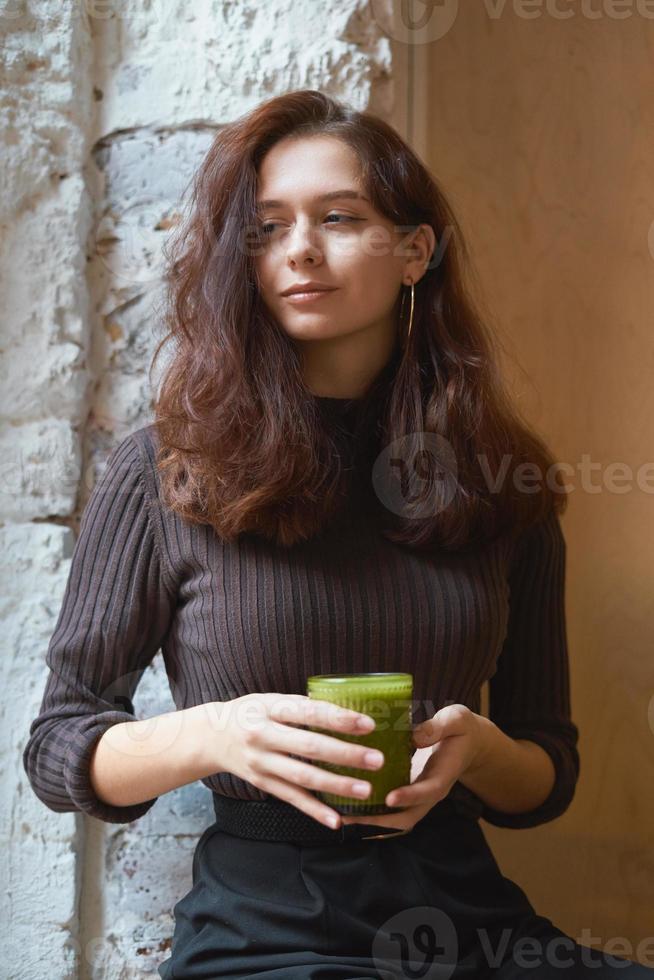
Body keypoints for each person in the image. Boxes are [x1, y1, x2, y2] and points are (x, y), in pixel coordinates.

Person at [23, 89, 653, 979]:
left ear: (414, 250)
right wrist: (217, 734)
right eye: (268, 227)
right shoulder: (165, 469)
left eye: (339, 217)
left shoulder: (499, 482)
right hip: (265, 937)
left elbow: (547, 773)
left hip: (471, 924)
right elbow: (59, 747)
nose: (300, 250)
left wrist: (478, 748)